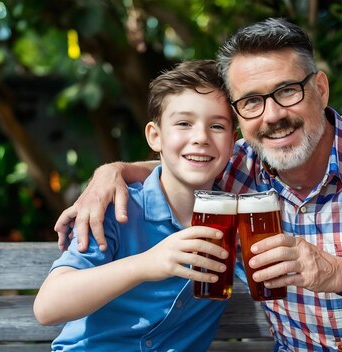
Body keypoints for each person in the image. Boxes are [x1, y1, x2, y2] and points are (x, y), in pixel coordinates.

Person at [55, 18, 342, 351]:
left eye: (288, 91)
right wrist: (109, 171)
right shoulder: (238, 168)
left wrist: (339, 273)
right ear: (239, 117)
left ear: (320, 88)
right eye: (251, 102)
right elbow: (183, 159)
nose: (271, 115)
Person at [34, 60, 241, 351]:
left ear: (233, 142)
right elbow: (47, 307)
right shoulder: (118, 208)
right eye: (183, 123)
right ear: (155, 136)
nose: (201, 138)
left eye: (217, 126)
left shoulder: (241, 217)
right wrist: (147, 264)